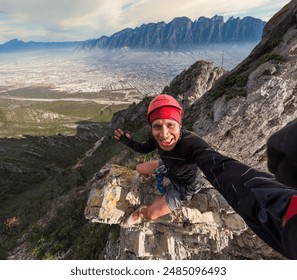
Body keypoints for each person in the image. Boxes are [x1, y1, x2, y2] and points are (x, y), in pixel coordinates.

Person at [115, 94, 297, 259]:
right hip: (169, 168)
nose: (164, 134)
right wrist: (128, 141)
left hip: (184, 187)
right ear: (152, 127)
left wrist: (278, 204)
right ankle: (151, 178)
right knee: (139, 168)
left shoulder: (192, 144)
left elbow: (219, 165)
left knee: (153, 214)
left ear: (179, 124)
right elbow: (143, 149)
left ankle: (141, 213)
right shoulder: (156, 138)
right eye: (157, 126)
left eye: (170, 125)